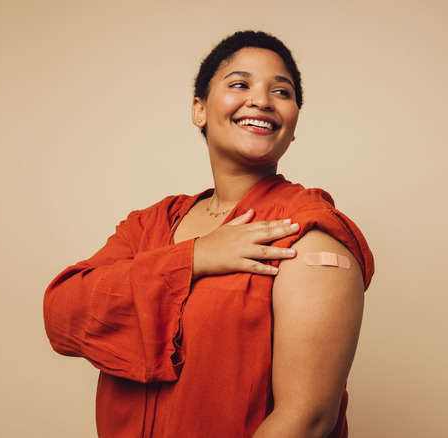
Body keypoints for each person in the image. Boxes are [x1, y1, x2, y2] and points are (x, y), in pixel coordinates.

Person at [44, 30, 375, 437]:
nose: (261, 100)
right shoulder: (151, 225)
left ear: (292, 125)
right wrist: (195, 257)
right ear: (199, 110)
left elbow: (306, 421)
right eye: (240, 84)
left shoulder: (305, 233)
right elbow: (62, 315)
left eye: (282, 92)